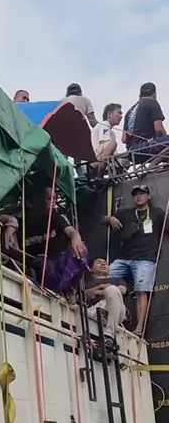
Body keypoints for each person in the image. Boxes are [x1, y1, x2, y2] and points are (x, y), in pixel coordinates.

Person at [105, 184, 166, 337]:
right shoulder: (125, 214)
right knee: (104, 278)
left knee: (141, 291)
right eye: (135, 194)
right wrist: (110, 218)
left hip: (145, 259)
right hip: (123, 258)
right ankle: (108, 315)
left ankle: (139, 329)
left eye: (142, 193)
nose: (138, 196)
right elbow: (102, 220)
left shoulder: (157, 213)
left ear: (148, 196)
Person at [10, 184, 88, 293]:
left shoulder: (56, 217)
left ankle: (69, 291)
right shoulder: (22, 221)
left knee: (81, 250)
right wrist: (10, 225)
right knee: (44, 264)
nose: (54, 203)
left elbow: (71, 232)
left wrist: (76, 239)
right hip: (33, 264)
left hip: (56, 265)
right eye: (49, 199)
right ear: (35, 201)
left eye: (55, 199)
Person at [123, 82, 169, 164]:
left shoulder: (129, 112)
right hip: (145, 148)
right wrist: (165, 141)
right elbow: (159, 130)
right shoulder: (152, 103)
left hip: (131, 153)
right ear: (154, 94)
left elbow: (123, 139)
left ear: (140, 95)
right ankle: (154, 164)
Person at [85, 258, 128, 344]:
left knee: (112, 290)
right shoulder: (86, 283)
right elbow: (78, 296)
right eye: (98, 262)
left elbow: (123, 290)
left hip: (115, 309)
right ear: (91, 269)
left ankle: (109, 335)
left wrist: (102, 291)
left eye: (105, 263)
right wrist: (96, 289)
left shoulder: (117, 280)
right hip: (93, 310)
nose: (103, 264)